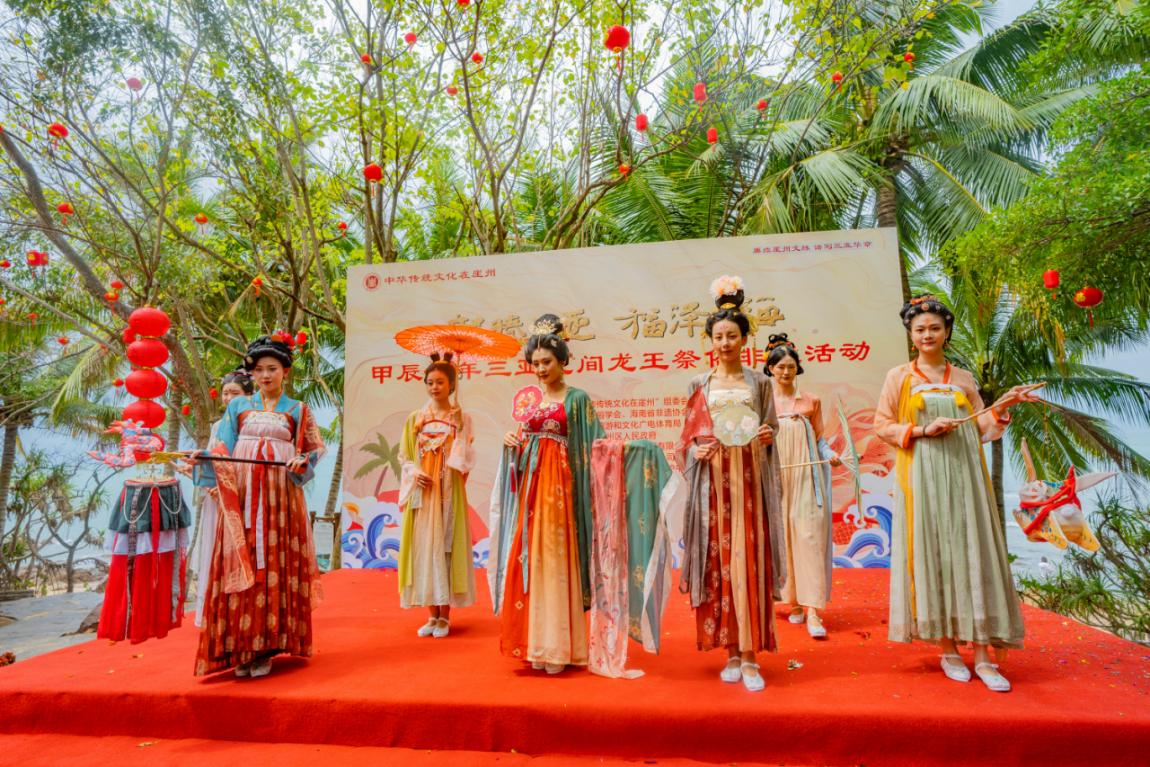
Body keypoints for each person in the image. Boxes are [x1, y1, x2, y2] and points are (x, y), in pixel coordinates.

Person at [874, 295, 1039, 692]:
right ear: (910, 335)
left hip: (966, 477)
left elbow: (982, 427)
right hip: (923, 478)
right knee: (935, 553)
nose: (927, 335)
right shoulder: (899, 377)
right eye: (919, 329)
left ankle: (982, 653)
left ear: (946, 331)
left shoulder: (962, 378)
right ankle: (947, 648)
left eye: (935, 328)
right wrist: (920, 430)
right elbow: (883, 425)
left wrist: (1003, 406)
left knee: (972, 553)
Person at [190, 333, 325, 678]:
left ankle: (267, 647)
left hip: (281, 501)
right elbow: (223, 448)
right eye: (260, 370)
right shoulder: (237, 407)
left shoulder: (298, 410)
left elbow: (314, 451)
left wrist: (301, 462)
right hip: (244, 497)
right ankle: (240, 647)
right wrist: (204, 458)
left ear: (285, 372)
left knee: (276, 564)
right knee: (240, 560)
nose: (265, 375)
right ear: (252, 374)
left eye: (272, 369)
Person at [677, 276, 786, 692]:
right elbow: (687, 438)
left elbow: (771, 427)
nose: (725, 342)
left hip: (749, 485)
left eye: (732, 336)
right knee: (720, 564)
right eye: (718, 336)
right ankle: (731, 652)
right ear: (710, 340)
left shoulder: (760, 383)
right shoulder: (699, 384)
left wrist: (767, 436)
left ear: (744, 339)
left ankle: (752, 654)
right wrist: (697, 451)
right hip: (714, 488)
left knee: (749, 562)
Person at [489, 314, 604, 674]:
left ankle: (559, 647)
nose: (540, 369)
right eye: (535, 363)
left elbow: (596, 445)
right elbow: (524, 439)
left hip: (560, 493)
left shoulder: (577, 399)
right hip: (532, 490)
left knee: (556, 562)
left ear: (562, 360)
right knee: (532, 560)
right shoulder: (530, 401)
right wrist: (511, 441)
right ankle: (536, 643)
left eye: (547, 362)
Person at [764, 334, 840, 639]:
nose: (785, 372)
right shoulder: (763, 403)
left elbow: (820, 439)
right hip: (776, 477)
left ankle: (813, 611)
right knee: (783, 537)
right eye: (780, 367)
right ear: (770, 369)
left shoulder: (811, 401)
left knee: (808, 537)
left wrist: (830, 455)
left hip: (807, 477)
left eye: (791, 367)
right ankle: (793, 602)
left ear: (798, 369)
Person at [397, 353, 476, 637]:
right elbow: (404, 455)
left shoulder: (462, 417)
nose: (434, 387)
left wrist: (460, 434)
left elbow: (466, 459)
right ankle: (431, 614)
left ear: (452, 385)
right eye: (430, 382)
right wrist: (414, 472)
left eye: (440, 382)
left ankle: (445, 616)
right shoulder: (415, 418)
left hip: (448, 489)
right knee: (424, 546)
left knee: (446, 546)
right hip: (424, 490)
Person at [182, 369, 255, 627]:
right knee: (216, 549)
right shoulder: (217, 426)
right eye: (225, 393)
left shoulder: (251, 426)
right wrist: (196, 469)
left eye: (235, 393)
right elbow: (213, 459)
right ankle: (214, 611)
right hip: (216, 495)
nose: (229, 398)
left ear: (249, 396)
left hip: (240, 494)